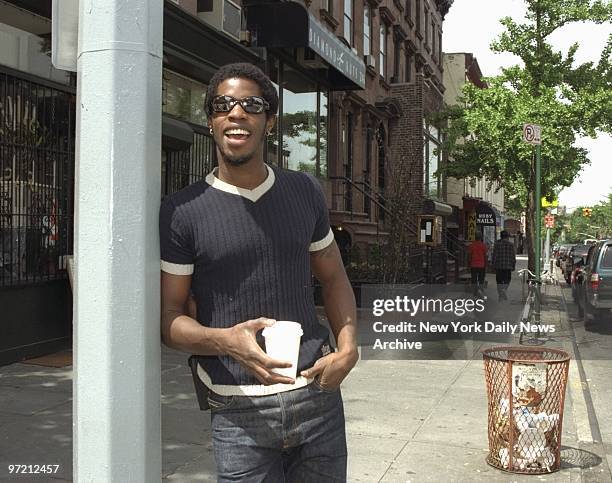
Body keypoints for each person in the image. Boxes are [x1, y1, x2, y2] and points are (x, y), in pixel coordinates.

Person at [159, 62, 358, 482]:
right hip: (237, 411)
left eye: (252, 104)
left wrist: (349, 347)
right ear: (211, 120)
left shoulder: (303, 191)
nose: (236, 112)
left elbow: (334, 278)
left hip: (316, 398)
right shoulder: (181, 212)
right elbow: (170, 321)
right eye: (223, 104)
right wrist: (225, 341)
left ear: (269, 121)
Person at [492, 230, 516, 301]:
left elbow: (494, 255)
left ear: (501, 236)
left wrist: (493, 264)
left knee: (499, 281)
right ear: (507, 237)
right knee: (507, 280)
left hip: (499, 266)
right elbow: (513, 256)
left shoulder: (497, 244)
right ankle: (504, 290)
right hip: (508, 266)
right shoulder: (511, 245)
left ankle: (500, 295)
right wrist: (513, 265)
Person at [467, 231, 487, 298]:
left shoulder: (471, 245)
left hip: (473, 265)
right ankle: (480, 291)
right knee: (481, 279)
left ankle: (475, 293)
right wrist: (486, 264)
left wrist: (469, 264)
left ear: (475, 237)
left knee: (474, 279)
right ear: (481, 237)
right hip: (482, 265)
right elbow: (485, 256)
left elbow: (469, 256)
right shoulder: (483, 245)